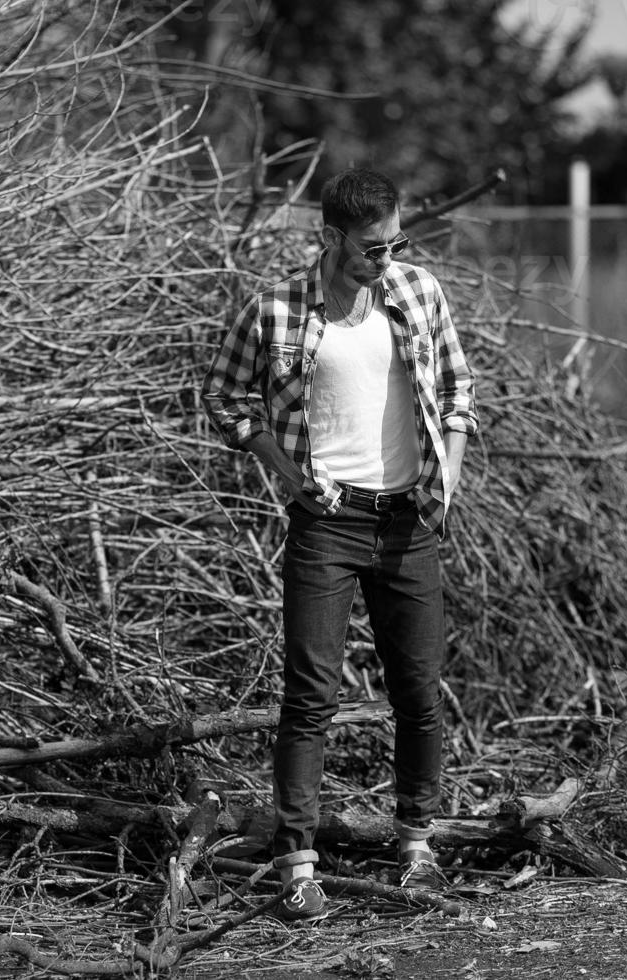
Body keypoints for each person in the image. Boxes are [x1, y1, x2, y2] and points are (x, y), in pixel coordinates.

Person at [200, 167, 477, 922]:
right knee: (311, 695)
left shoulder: (418, 294)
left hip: (409, 521)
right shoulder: (276, 309)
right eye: (372, 247)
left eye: (395, 243)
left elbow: (457, 392)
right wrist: (285, 472)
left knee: (419, 692)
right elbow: (223, 396)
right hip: (326, 523)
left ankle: (417, 846)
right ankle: (298, 862)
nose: (386, 258)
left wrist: (446, 479)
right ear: (331, 237)